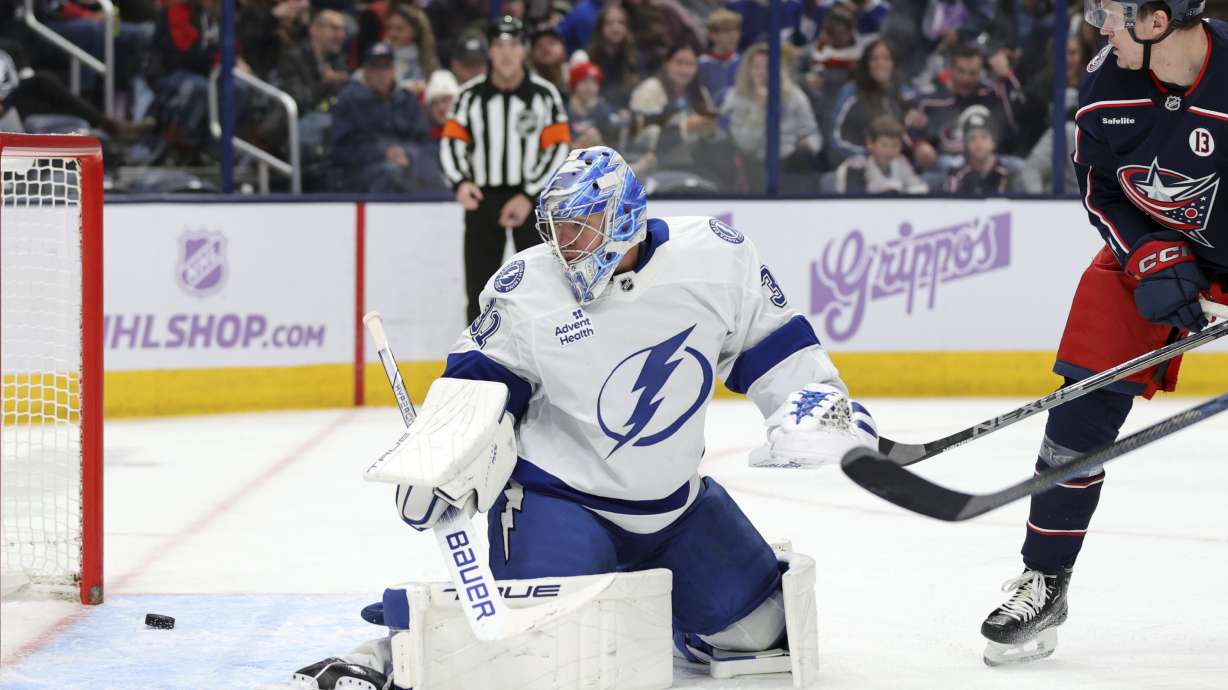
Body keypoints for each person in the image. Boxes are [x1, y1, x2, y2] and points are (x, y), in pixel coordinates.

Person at [292, 145, 878, 690]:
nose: (566, 244)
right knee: (535, 648)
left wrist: (817, 405)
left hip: (675, 505)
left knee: (754, 636)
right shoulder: (528, 288)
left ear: (625, 216)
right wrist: (442, 459)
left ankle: (651, 612)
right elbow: (478, 383)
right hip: (561, 502)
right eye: (558, 228)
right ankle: (388, 651)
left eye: (581, 225)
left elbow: (773, 342)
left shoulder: (716, 256)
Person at [978, 0, 1228, 666]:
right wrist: (1148, 252)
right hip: (1161, 251)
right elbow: (1098, 187)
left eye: (1113, 14)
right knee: (1079, 409)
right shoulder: (1106, 83)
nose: (1099, 27)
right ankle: (1045, 580)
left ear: (1158, 20)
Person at [439, 16, 571, 323]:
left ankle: (541, 358)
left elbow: (558, 148)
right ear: (489, 51)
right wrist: (460, 182)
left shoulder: (544, 95)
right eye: (499, 45)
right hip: (483, 199)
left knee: (542, 287)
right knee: (480, 289)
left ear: (524, 50)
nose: (506, 53)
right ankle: (477, 360)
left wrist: (528, 194)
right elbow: (452, 142)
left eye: (513, 45)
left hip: (535, 202)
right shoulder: (469, 95)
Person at [329, 43, 435, 193]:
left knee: (432, 171)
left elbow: (425, 141)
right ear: (365, 71)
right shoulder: (349, 100)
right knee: (391, 174)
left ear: (393, 70)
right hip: (362, 173)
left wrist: (407, 153)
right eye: (375, 67)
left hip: (409, 167)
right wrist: (383, 153)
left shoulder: (407, 99)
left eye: (386, 67)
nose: (381, 73)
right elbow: (340, 150)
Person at [724, 42, 822, 193]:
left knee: (804, 160)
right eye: (756, 67)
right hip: (755, 160)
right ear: (747, 70)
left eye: (767, 67)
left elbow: (812, 133)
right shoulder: (736, 97)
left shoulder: (794, 95)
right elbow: (745, 145)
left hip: (790, 160)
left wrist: (807, 144)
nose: (762, 72)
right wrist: (759, 109)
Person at [832, 114, 928, 194]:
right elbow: (852, 200)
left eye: (895, 145)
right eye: (884, 145)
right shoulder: (855, 167)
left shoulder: (901, 162)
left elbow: (918, 188)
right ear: (870, 143)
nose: (889, 151)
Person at [943, 107, 1025, 195]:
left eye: (984, 137)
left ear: (993, 142)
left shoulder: (1010, 171)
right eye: (972, 138)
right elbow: (949, 204)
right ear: (966, 144)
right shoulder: (956, 173)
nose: (979, 144)